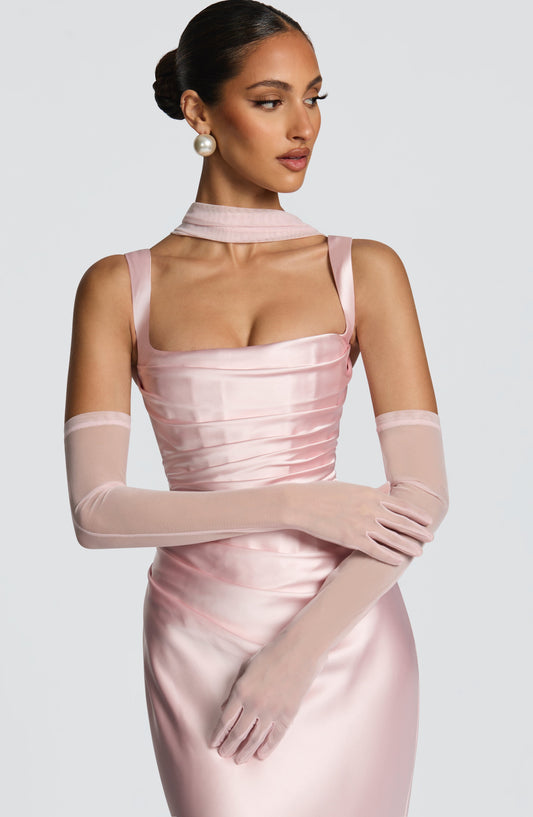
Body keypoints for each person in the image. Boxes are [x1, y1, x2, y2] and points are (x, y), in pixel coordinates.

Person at [63, 1, 449, 815]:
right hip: (197, 636)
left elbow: (421, 495)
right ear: (199, 112)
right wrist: (292, 503)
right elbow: (96, 512)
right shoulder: (119, 286)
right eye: (270, 101)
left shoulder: (363, 269)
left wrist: (297, 654)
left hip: (345, 636)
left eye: (314, 97)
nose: (302, 126)